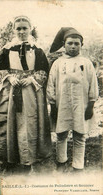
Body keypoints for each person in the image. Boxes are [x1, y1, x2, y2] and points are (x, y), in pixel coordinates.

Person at [0, 16, 52, 172]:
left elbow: (44, 70)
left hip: (30, 92)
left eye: (24, 28)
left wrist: (32, 79)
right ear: (13, 30)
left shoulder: (36, 49)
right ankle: (9, 157)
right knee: (9, 121)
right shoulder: (8, 48)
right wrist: (9, 77)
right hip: (11, 90)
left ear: (31, 28)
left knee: (28, 122)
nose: (21, 31)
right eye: (18, 28)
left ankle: (28, 158)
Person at [47, 27, 99, 172]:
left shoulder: (86, 63)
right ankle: (61, 161)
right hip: (62, 105)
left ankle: (78, 166)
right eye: (70, 43)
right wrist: (53, 106)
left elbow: (93, 85)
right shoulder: (58, 63)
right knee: (61, 134)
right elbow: (51, 84)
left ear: (81, 45)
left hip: (81, 105)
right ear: (64, 45)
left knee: (80, 135)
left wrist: (91, 106)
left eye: (77, 43)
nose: (73, 46)